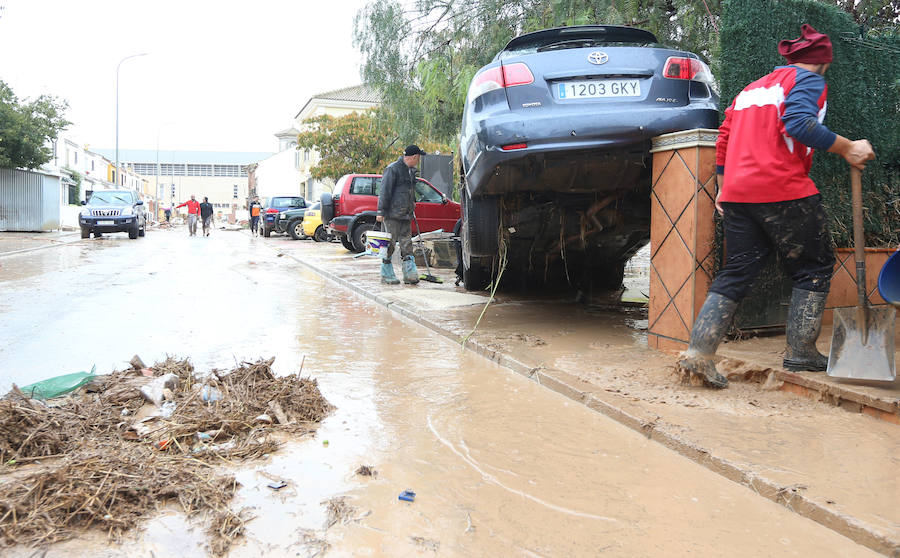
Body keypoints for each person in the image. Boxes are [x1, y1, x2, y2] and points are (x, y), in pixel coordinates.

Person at [677, 24, 876, 389]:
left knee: (736, 272)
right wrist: (848, 147)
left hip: (738, 193)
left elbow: (725, 136)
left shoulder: (753, 88)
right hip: (783, 187)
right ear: (822, 63)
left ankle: (698, 355)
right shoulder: (809, 80)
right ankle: (801, 351)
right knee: (813, 266)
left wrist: (723, 186)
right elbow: (798, 123)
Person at [376, 145, 426, 285]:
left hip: (406, 214)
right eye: (418, 158)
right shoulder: (393, 169)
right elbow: (384, 191)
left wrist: (412, 206)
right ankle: (386, 274)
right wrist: (380, 212)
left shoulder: (410, 172)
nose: (418, 161)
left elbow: (409, 193)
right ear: (414, 157)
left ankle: (410, 274)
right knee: (389, 245)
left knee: (407, 244)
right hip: (392, 215)